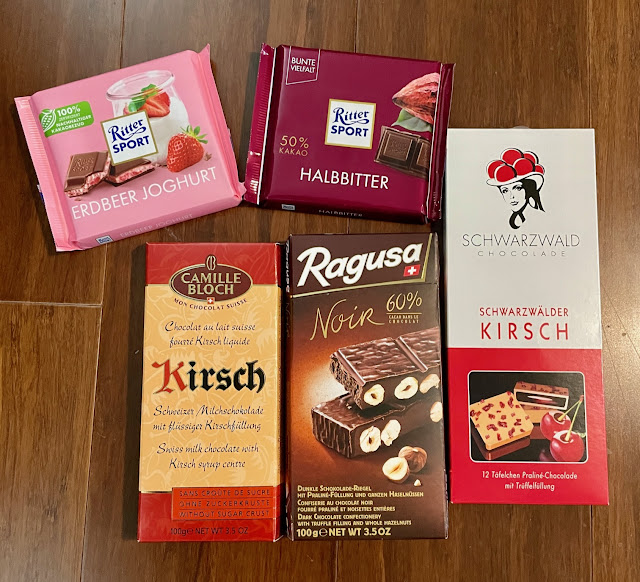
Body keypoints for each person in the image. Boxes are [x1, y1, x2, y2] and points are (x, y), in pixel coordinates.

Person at [486, 149, 545, 229]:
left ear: (528, 189)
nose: (511, 196)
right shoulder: (493, 218)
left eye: (518, 188)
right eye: (505, 191)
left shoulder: (541, 218)